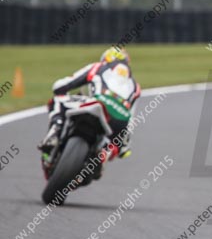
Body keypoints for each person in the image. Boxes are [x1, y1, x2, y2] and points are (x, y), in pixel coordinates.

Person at [38, 47, 141, 177]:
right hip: (120, 121)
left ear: (106, 59)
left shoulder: (97, 67)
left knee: (57, 100)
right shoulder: (135, 86)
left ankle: (55, 131)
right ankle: (101, 158)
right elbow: (131, 118)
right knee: (116, 145)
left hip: (97, 103)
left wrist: (62, 91)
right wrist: (124, 146)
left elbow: (60, 86)